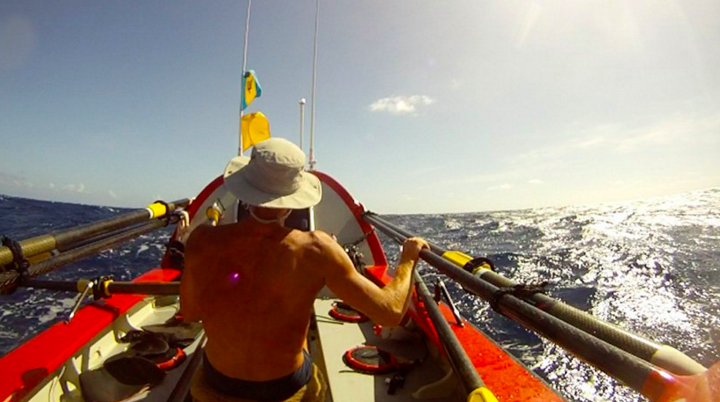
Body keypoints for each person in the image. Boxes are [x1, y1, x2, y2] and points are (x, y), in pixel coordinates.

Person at [180, 138, 429, 402]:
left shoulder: (202, 240)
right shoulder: (316, 249)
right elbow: (389, 312)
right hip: (284, 389)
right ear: (292, 201)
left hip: (218, 385)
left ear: (245, 191)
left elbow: (190, 311)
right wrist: (408, 259)